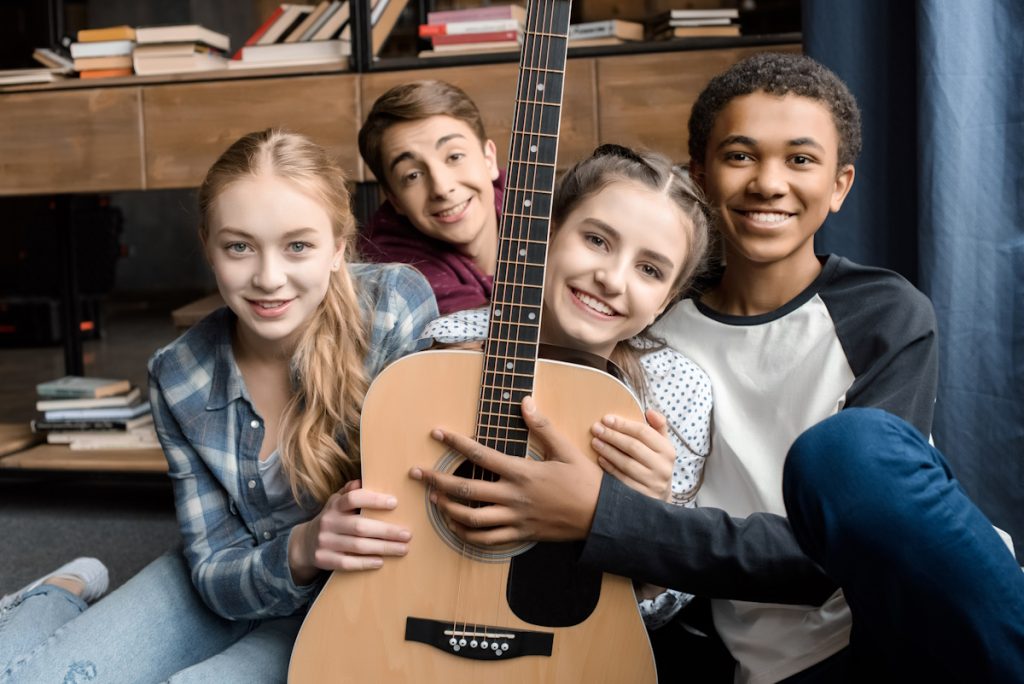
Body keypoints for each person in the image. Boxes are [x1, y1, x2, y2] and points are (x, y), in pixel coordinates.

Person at [411, 52, 1024, 683]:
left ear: (840, 185)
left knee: (848, 450)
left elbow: (865, 541)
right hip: (780, 662)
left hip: (916, 614)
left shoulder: (885, 312)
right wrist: (638, 503)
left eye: (801, 159)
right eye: (740, 155)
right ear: (700, 177)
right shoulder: (645, 333)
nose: (768, 181)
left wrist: (616, 517)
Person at [0, 129, 438, 683]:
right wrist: (302, 545)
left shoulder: (394, 306)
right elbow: (213, 571)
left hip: (362, 593)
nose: (268, 278)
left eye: (298, 245)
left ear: (338, 247)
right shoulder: (178, 373)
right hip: (241, 577)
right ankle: (58, 594)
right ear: (208, 246)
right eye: (239, 247)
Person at [421, 143, 714, 631]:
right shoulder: (446, 343)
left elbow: (661, 610)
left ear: (666, 300)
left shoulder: (675, 389)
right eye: (597, 240)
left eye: (650, 270)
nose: (611, 278)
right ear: (547, 235)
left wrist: (645, 520)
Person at [358, 80, 504, 315]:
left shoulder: (539, 199)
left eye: (455, 157)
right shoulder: (395, 272)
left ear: (489, 160)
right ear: (394, 199)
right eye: (413, 175)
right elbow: (479, 340)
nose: (442, 188)